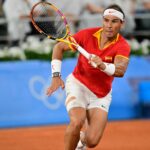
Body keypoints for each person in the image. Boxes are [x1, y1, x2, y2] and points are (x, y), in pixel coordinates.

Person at [46, 4, 130, 150]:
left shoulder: (123, 46)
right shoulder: (86, 35)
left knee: (92, 141)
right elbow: (59, 47)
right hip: (78, 84)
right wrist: (56, 75)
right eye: (106, 20)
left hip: (101, 94)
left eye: (114, 21)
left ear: (122, 24)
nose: (109, 25)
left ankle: (82, 139)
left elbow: (120, 70)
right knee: (77, 122)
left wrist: (103, 65)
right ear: (102, 20)